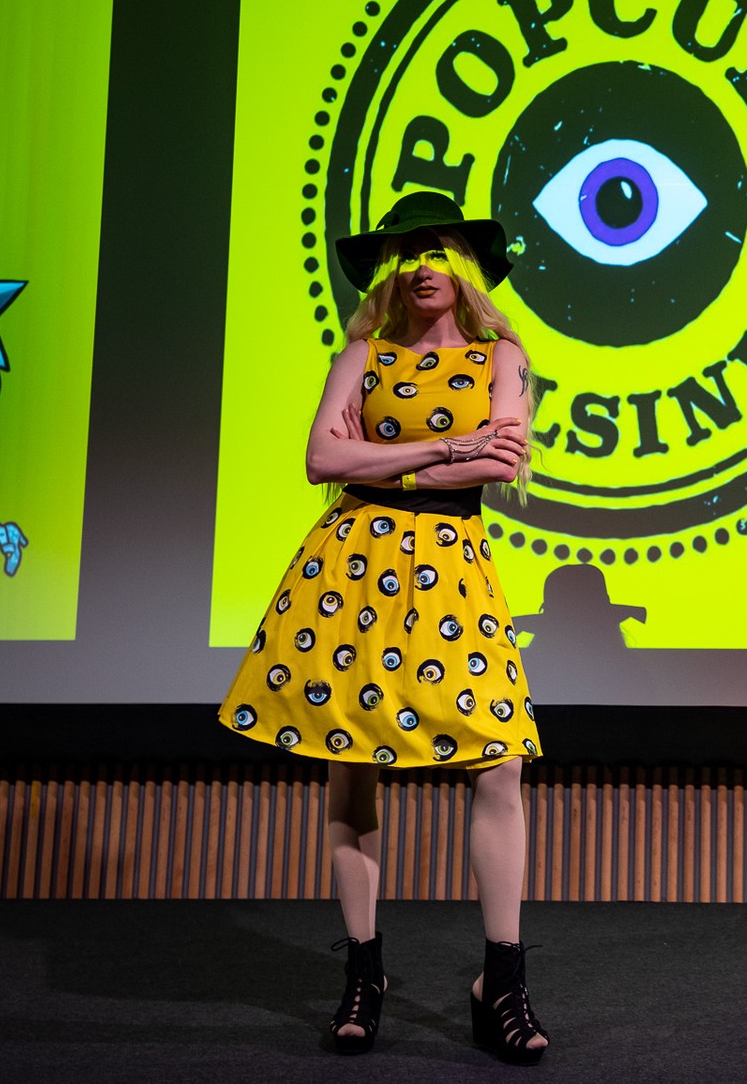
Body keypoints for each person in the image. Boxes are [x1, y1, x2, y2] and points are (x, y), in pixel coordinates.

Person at [217, 191, 549, 1062]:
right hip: (352, 566)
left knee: (500, 760)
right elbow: (321, 460)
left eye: (436, 250)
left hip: (451, 567)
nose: (420, 267)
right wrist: (441, 448)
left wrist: (382, 461)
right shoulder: (361, 355)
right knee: (349, 758)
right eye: (405, 254)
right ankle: (363, 974)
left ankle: (501, 981)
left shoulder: (504, 358)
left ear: (465, 269)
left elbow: (502, 458)